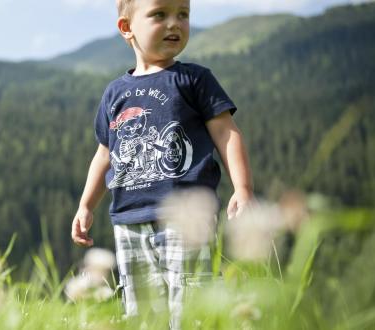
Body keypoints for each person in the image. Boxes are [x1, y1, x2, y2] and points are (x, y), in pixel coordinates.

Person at [70, 0, 254, 327]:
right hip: (129, 220)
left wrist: (242, 187)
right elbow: (104, 155)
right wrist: (86, 205)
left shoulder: (193, 80)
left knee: (192, 304)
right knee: (140, 311)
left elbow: (227, 132)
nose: (175, 23)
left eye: (183, 14)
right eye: (160, 14)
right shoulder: (114, 93)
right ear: (127, 28)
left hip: (187, 216)